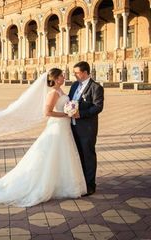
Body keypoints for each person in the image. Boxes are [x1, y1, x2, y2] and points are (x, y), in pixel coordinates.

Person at [0, 68, 87, 207]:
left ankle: (61, 182)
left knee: (61, 154)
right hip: (57, 125)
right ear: (55, 79)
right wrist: (66, 114)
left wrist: (70, 111)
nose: (64, 77)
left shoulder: (61, 90)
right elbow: (47, 112)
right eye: (61, 75)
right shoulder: (53, 93)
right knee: (53, 153)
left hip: (64, 126)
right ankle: (48, 183)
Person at [69, 61, 104, 197]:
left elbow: (98, 107)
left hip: (87, 128)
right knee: (78, 155)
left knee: (88, 155)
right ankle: (80, 182)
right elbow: (70, 101)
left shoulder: (96, 88)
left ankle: (90, 185)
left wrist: (81, 114)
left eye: (76, 73)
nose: (75, 75)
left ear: (84, 73)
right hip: (72, 126)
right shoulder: (74, 86)